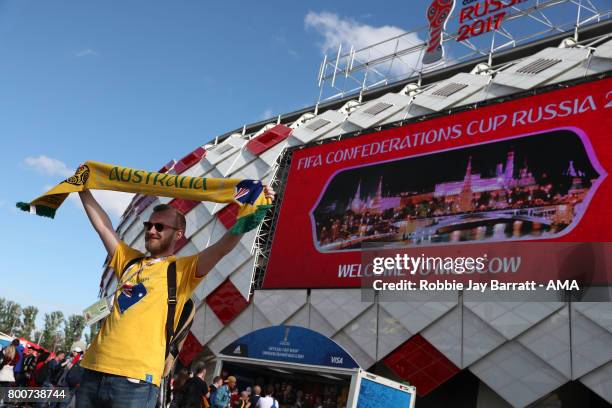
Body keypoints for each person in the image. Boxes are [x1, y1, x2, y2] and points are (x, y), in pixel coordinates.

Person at [75, 185, 275, 408]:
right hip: (93, 371)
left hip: (135, 382)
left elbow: (222, 248)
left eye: (160, 226)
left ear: (178, 234)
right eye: (148, 225)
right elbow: (103, 227)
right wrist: (83, 189)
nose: (151, 230)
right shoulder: (129, 261)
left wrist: (257, 207)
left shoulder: (182, 270)